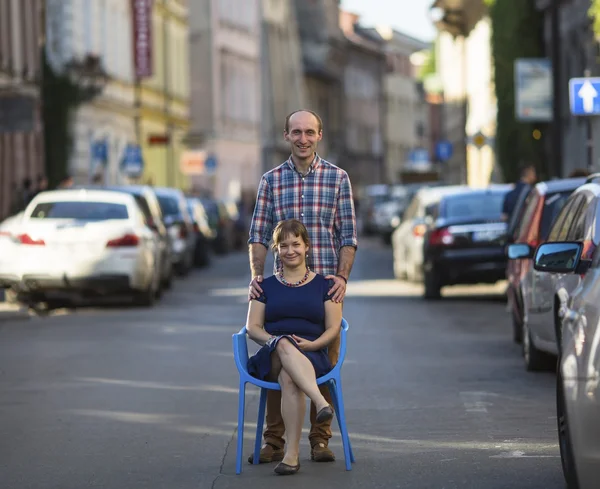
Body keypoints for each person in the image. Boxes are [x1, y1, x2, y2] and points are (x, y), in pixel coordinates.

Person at [247, 109, 358, 464]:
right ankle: (275, 442)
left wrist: (341, 278)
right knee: (281, 360)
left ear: (319, 135)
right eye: (296, 132)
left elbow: (348, 236)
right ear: (286, 135)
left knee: (322, 364)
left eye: (309, 132)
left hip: (324, 292)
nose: (303, 139)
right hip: (283, 288)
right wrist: (256, 276)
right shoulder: (271, 181)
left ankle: (320, 441)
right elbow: (259, 234)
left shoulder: (338, 179)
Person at [246, 219, 343, 475]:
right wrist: (274, 341)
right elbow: (252, 327)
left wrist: (314, 344)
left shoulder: (326, 285)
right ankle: (320, 401)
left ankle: (291, 456)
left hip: (312, 353)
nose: (290, 250)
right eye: (283, 245)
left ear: (307, 246)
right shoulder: (264, 286)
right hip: (272, 354)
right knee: (285, 342)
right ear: (276, 250)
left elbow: (333, 328)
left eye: (296, 244)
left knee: (290, 378)